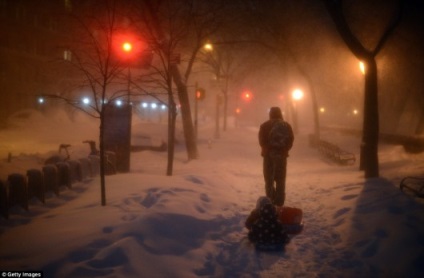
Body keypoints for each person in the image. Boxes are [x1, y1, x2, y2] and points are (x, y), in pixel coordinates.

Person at [258, 107, 294, 206]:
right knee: (280, 180)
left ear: (270, 114)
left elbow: (261, 141)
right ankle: (279, 204)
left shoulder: (265, 125)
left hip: (268, 156)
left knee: (269, 180)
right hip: (281, 156)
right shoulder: (286, 125)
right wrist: (284, 150)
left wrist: (267, 149)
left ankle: (270, 202)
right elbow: (291, 140)